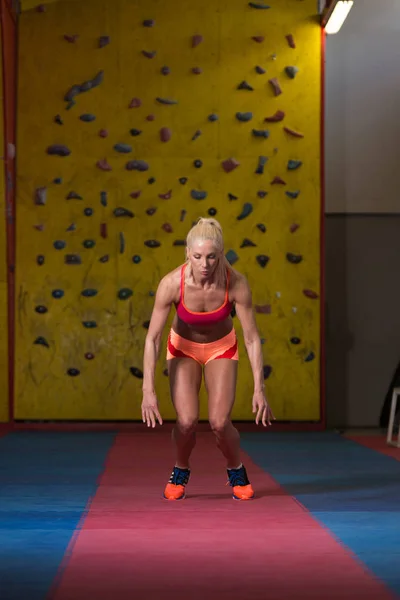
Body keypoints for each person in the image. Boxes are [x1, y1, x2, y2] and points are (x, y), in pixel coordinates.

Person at [141, 217, 275, 501]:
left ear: (221, 255)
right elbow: (152, 339)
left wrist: (259, 389)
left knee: (218, 422)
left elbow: (251, 339)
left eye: (212, 257)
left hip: (221, 348)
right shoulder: (171, 284)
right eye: (198, 256)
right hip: (183, 349)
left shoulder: (236, 283)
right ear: (187, 253)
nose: (204, 264)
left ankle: (235, 467)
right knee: (187, 421)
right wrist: (147, 391)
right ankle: (181, 467)